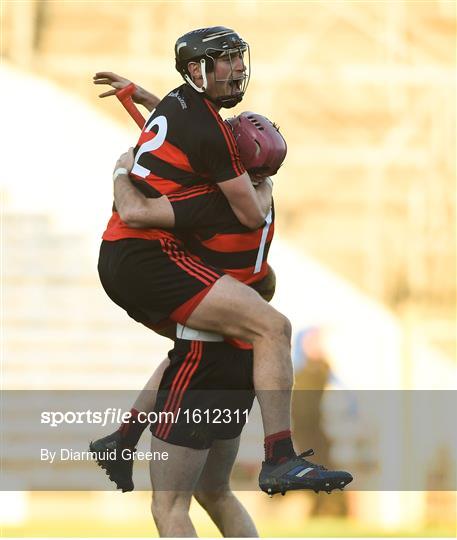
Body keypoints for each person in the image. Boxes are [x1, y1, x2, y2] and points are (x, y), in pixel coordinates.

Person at [93, 26, 353, 500]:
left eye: (238, 58)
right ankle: (279, 456)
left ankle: (122, 438)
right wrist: (267, 188)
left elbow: (176, 142)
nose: (237, 68)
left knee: (189, 345)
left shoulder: (181, 104)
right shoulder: (228, 193)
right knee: (272, 329)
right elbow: (241, 203)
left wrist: (124, 157)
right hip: (142, 258)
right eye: (226, 59)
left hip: (128, 257)